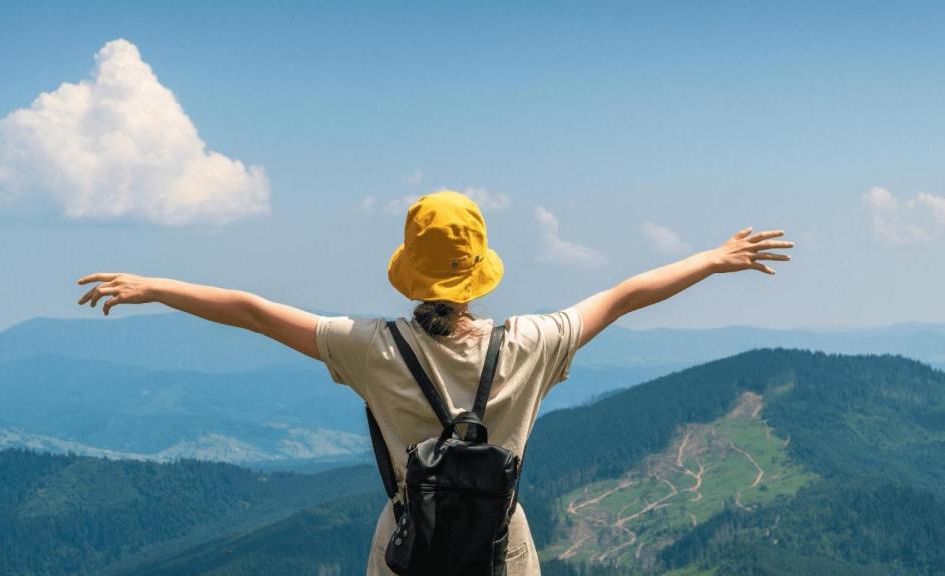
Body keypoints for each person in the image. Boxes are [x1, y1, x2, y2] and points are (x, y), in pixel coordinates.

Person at [76, 190, 793, 575]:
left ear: (410, 273)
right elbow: (628, 293)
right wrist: (712, 257)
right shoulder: (532, 343)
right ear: (481, 269)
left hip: (406, 544)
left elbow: (256, 312)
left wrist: (156, 285)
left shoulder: (371, 347)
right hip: (501, 549)